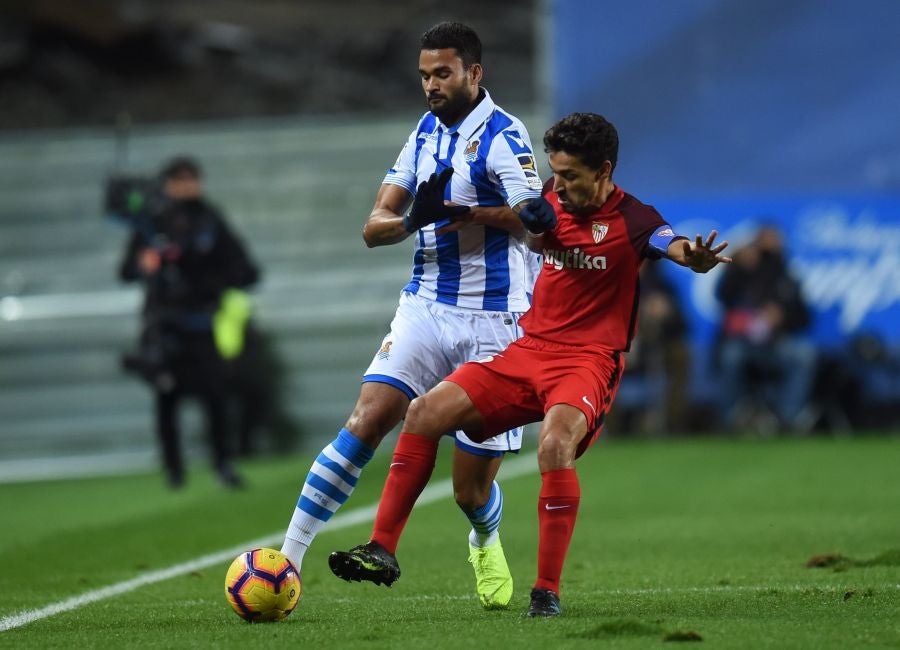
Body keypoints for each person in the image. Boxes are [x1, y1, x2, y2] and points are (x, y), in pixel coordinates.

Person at [327, 112, 731, 617]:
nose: (559, 185)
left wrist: (693, 256)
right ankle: (382, 548)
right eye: (555, 173)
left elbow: (670, 244)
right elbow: (526, 223)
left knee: (554, 445)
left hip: (588, 361)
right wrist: (473, 214)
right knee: (424, 412)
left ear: (604, 170)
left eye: (571, 176)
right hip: (528, 350)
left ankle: (546, 591)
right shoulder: (553, 197)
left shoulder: (635, 218)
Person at [278, 22, 544, 609]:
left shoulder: (505, 135)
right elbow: (373, 228)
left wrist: (472, 212)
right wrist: (411, 221)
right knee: (366, 419)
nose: (431, 86)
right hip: (425, 305)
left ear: (474, 73)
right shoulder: (423, 133)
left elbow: (534, 218)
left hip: (495, 321)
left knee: (470, 489)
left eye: (442, 73)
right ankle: (286, 562)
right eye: (424, 75)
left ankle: (484, 536)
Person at [118, 156, 260, 488]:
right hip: (164, 325)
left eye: (192, 179)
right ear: (167, 185)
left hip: (203, 323)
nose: (187, 186)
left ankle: (223, 463)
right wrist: (144, 264)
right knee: (166, 396)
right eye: (179, 180)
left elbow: (244, 269)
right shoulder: (152, 224)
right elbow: (126, 270)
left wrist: (211, 279)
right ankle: (173, 469)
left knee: (216, 395)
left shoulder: (210, 220)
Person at [714, 223, 816, 433]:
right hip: (743, 342)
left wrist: (782, 316)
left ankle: (787, 418)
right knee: (731, 355)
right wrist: (737, 266)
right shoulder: (742, 271)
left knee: (805, 354)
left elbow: (804, 318)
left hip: (776, 342)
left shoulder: (786, 277)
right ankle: (730, 419)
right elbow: (723, 297)